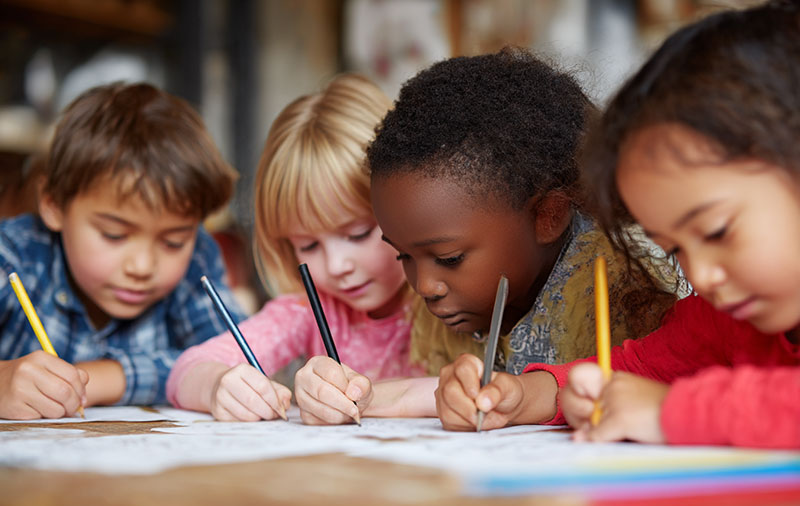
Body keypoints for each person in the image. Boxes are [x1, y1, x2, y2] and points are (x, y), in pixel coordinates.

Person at [459, 1, 800, 448]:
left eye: (717, 231)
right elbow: (635, 368)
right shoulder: (727, 320)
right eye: (675, 249)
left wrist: (668, 412)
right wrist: (525, 396)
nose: (702, 276)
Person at [363, 47, 683, 430]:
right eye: (403, 257)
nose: (425, 286)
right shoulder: (443, 302)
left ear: (548, 215)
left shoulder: (624, 293)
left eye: (449, 258)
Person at [166, 74, 428, 423]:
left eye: (358, 234)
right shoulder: (308, 310)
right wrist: (219, 386)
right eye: (308, 244)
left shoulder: (450, 299)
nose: (337, 265)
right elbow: (186, 369)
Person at [0, 82, 242, 419]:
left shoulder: (197, 256)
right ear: (53, 204)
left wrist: (106, 377)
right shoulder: (11, 254)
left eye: (173, 242)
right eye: (114, 235)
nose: (142, 266)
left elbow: (235, 357)